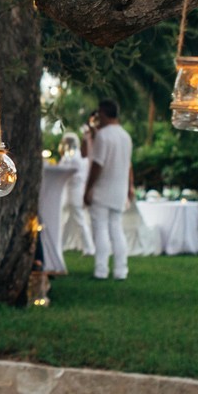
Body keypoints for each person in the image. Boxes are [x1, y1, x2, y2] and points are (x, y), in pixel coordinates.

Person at [83, 100, 134, 280]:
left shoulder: (103, 136)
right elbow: (129, 165)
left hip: (102, 190)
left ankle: (101, 270)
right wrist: (130, 187)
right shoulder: (126, 136)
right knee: (116, 229)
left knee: (101, 230)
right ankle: (121, 270)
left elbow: (97, 165)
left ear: (103, 114)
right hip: (119, 190)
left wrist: (88, 189)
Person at [59, 132, 94, 255]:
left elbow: (62, 171)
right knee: (69, 222)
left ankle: (89, 248)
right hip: (75, 191)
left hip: (74, 192)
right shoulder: (80, 156)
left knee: (79, 221)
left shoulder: (71, 157)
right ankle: (61, 245)